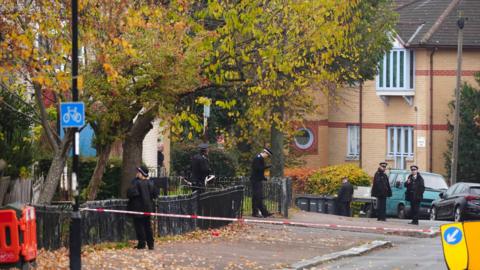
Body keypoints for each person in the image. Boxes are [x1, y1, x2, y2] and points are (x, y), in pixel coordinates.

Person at [127, 166, 158, 250]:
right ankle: (151, 244)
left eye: (138, 172)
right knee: (148, 226)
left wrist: (134, 181)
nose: (136, 173)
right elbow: (155, 194)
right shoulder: (151, 183)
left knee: (139, 226)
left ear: (141, 173)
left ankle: (141, 243)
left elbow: (130, 194)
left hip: (138, 209)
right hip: (148, 209)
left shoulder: (136, 183)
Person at [250, 148, 273, 218]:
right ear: (265, 153)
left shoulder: (260, 159)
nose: (267, 157)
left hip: (257, 179)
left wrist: (263, 178)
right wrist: (266, 167)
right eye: (268, 155)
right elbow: (257, 169)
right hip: (256, 180)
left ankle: (255, 212)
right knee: (258, 197)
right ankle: (264, 212)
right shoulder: (258, 158)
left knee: (255, 197)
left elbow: (260, 172)